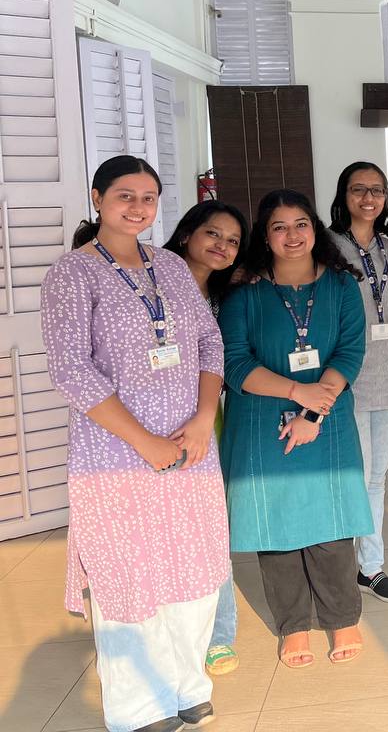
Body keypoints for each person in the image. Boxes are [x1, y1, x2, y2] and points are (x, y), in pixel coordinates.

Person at [42, 156, 227, 732]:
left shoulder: (169, 265)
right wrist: (145, 443)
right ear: (98, 198)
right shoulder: (73, 273)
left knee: (194, 567)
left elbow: (209, 342)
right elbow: (72, 372)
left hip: (190, 448)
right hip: (115, 456)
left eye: (148, 197)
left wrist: (203, 420)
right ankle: (140, 706)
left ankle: (188, 684)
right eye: (125, 195)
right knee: (129, 575)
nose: (138, 207)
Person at [219, 189, 370, 669]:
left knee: (332, 522)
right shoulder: (244, 291)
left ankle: (342, 618)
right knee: (276, 524)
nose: (292, 235)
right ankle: (293, 625)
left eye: (301, 224)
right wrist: (295, 393)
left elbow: (350, 351)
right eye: (279, 227)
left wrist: (313, 413)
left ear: (315, 229)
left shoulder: (342, 285)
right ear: (264, 236)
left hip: (328, 417)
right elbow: (235, 363)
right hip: (260, 419)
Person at [163, 200, 249, 678]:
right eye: (213, 234)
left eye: (233, 241)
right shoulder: (151, 283)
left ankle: (218, 634)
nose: (222, 245)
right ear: (186, 234)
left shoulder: (225, 296)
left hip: (208, 417)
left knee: (209, 525)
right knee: (162, 528)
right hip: (153, 418)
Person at [330, 162, 388, 603]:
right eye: (358, 189)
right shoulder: (326, 246)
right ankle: (344, 565)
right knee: (357, 474)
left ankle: (371, 567)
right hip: (348, 370)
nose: (368, 198)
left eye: (377, 190)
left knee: (378, 476)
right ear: (343, 195)